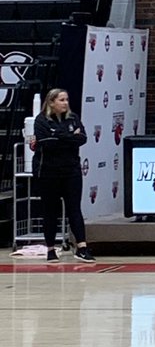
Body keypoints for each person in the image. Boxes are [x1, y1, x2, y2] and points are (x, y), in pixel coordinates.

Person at [30, 88, 95, 263]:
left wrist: (59, 136)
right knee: (50, 211)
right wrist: (67, 137)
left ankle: (82, 247)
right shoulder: (41, 120)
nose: (65, 103)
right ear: (51, 102)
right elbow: (46, 143)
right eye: (61, 100)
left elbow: (82, 138)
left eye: (66, 99)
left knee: (74, 209)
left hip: (71, 170)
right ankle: (51, 249)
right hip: (48, 172)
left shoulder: (73, 119)